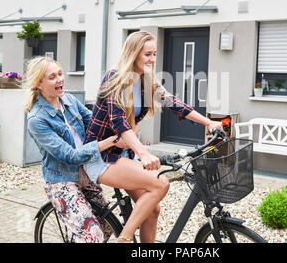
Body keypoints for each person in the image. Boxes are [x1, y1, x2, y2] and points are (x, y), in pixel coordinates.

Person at [84, 31, 222, 243]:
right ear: (134, 53)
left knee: (152, 210)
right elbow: (119, 122)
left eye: (154, 54)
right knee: (161, 184)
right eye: (147, 54)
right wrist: (144, 153)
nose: (152, 59)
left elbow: (173, 103)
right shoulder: (114, 78)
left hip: (124, 154)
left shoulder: (146, 80)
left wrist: (208, 122)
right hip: (102, 157)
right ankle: (125, 238)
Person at [25, 56, 126, 243]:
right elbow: (70, 156)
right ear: (38, 83)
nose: (60, 79)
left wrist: (122, 129)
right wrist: (109, 142)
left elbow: (93, 122)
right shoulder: (37, 120)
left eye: (60, 74)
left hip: (87, 172)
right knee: (92, 236)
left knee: (106, 225)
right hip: (62, 182)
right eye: (52, 77)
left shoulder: (69, 99)